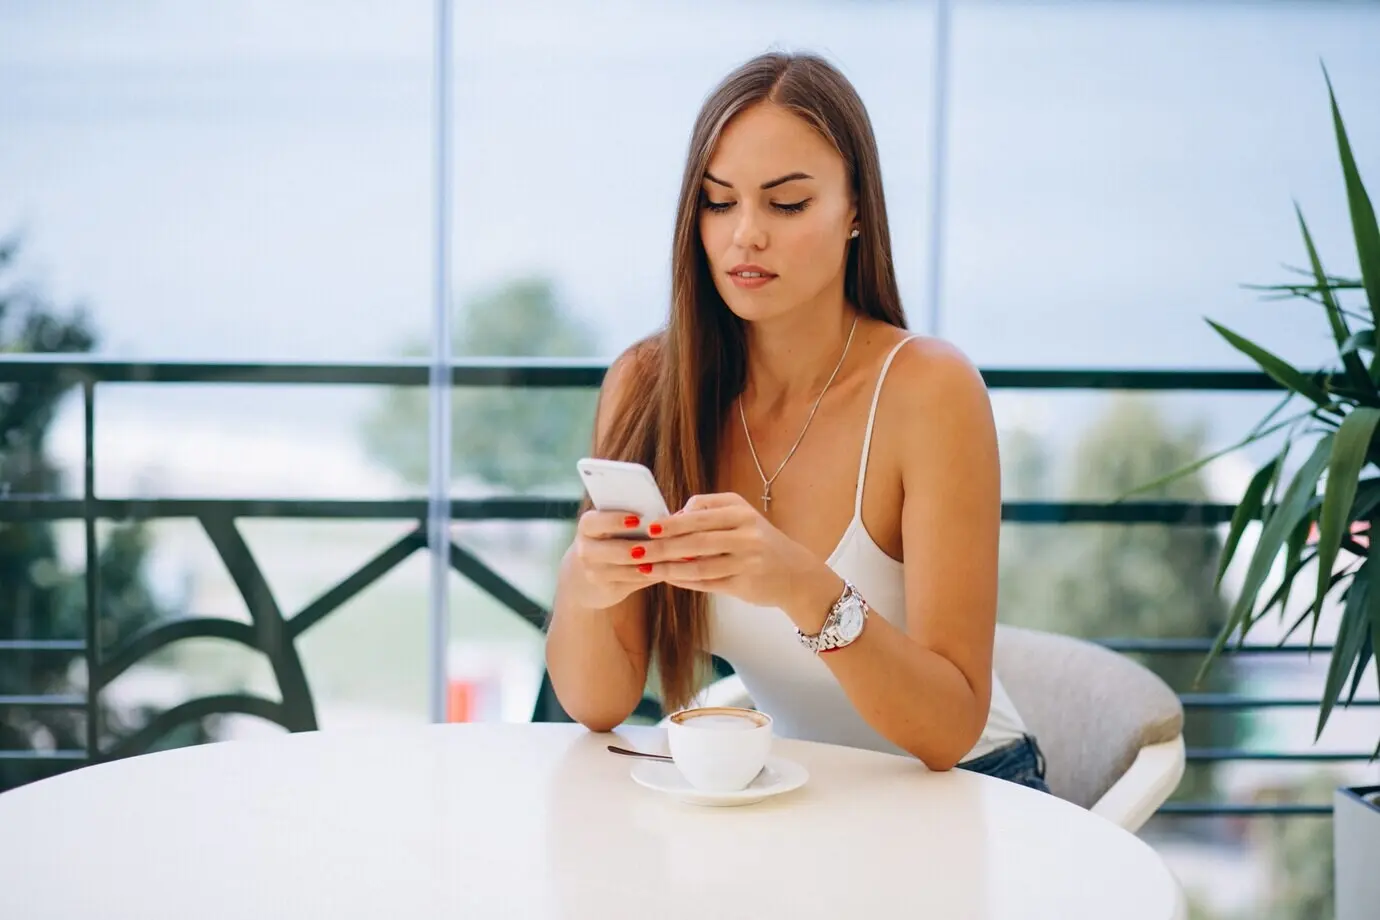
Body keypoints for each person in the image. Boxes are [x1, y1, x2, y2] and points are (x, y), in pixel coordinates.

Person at [544, 51, 1048, 792]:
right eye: (719, 202)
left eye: (786, 205)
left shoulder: (928, 392)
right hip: (796, 788)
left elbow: (949, 730)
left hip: (970, 790)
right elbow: (598, 704)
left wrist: (803, 587)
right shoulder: (647, 386)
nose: (746, 235)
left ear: (855, 214)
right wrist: (584, 582)